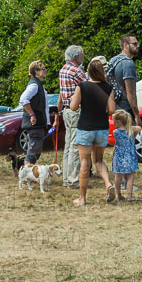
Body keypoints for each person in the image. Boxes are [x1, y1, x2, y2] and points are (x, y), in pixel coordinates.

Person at [69, 59, 116, 206]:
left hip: (85, 128)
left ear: (88, 71)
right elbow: (112, 110)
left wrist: (74, 99)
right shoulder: (108, 88)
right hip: (101, 127)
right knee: (99, 161)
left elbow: (73, 107)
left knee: (85, 162)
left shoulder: (82, 87)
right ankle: (108, 183)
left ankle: (82, 199)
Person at [56, 45, 88, 188]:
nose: (82, 58)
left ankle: (66, 179)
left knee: (68, 146)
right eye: (81, 55)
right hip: (77, 110)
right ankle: (73, 180)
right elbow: (87, 88)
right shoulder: (76, 71)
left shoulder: (63, 70)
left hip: (67, 110)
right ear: (76, 57)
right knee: (75, 146)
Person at [19, 61, 49, 165]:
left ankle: (27, 172)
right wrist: (32, 114)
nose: (45, 70)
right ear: (36, 71)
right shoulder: (34, 85)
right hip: (34, 124)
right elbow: (23, 100)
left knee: (35, 152)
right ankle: (26, 174)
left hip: (38, 123)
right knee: (33, 151)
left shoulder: (38, 85)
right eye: (43, 69)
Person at [109, 35, 141, 126]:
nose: (138, 46)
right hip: (126, 110)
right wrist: (136, 115)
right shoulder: (128, 63)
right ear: (125, 45)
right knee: (129, 138)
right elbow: (130, 93)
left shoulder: (114, 60)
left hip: (116, 109)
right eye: (135, 44)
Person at [111, 110, 142, 202]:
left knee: (118, 175)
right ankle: (129, 195)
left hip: (118, 155)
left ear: (118, 122)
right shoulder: (130, 130)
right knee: (130, 175)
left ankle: (118, 194)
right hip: (129, 155)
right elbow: (139, 128)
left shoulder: (115, 132)